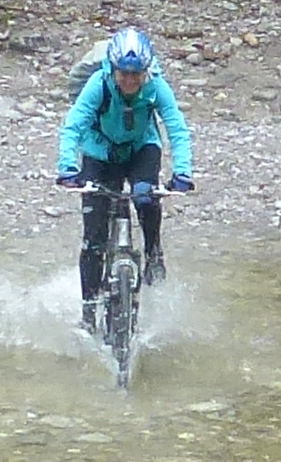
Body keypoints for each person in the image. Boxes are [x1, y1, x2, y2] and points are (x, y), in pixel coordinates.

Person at [55, 27, 193, 330]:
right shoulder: (98, 84)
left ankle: (153, 251)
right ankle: (88, 312)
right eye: (123, 74)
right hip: (99, 153)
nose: (130, 80)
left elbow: (177, 128)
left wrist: (182, 171)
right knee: (93, 238)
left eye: (136, 74)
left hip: (141, 148)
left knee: (146, 197)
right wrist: (68, 168)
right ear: (113, 69)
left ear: (146, 71)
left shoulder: (156, 86)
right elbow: (73, 126)